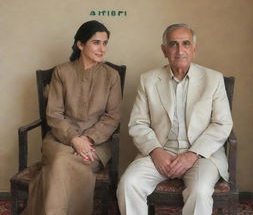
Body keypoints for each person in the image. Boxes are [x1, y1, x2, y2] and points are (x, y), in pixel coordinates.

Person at [117, 23, 233, 215]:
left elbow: (221, 124)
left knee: (200, 191)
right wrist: (155, 151)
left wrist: (192, 154)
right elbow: (138, 123)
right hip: (160, 152)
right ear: (164, 50)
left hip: (202, 155)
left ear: (194, 49)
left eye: (186, 44)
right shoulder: (148, 80)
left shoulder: (213, 79)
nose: (180, 50)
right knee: (129, 183)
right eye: (173, 44)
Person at [22, 20, 122, 215]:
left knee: (58, 164)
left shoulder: (112, 76)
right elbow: (54, 114)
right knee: (60, 158)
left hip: (96, 144)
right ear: (80, 44)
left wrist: (88, 139)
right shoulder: (62, 72)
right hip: (60, 139)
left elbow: (113, 116)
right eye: (96, 42)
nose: (102, 49)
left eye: (105, 43)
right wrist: (74, 139)